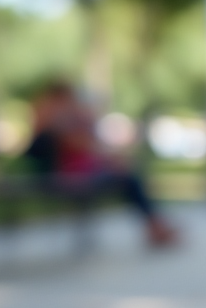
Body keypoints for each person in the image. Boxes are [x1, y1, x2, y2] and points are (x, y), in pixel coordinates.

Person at [23, 82, 180, 248]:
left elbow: (85, 144)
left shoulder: (57, 119)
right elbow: (79, 146)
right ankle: (154, 225)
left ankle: (154, 224)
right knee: (128, 178)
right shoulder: (53, 121)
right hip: (71, 175)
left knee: (127, 175)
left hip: (78, 171)